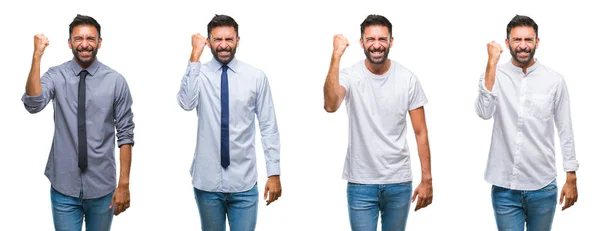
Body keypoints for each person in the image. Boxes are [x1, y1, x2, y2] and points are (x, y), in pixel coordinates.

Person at [21, 14, 135, 231]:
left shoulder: (116, 81)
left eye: (90, 39)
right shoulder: (56, 75)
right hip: (64, 187)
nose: (84, 44)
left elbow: (126, 134)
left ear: (99, 42)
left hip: (102, 188)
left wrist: (124, 184)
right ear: (70, 43)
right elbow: (33, 104)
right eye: (78, 39)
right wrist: (37, 56)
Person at [323, 14, 433, 231]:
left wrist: (427, 179)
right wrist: (336, 56)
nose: (377, 45)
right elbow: (330, 105)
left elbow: (421, 133)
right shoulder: (350, 75)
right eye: (371, 39)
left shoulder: (407, 78)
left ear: (391, 41)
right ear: (362, 42)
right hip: (361, 183)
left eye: (382, 39)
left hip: (399, 182)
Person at [177, 14, 282, 231]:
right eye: (217, 40)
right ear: (208, 41)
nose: (223, 45)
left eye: (229, 39)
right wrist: (194, 56)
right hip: (207, 182)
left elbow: (268, 127)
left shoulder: (255, 77)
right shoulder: (199, 73)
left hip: (244, 182)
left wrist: (274, 173)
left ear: (237, 40)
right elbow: (186, 103)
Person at [475, 14, 579, 231]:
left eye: (528, 40)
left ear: (537, 42)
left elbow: (565, 129)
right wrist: (491, 63)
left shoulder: (554, 80)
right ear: (507, 43)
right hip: (504, 188)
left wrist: (571, 175)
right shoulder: (494, 73)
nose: (523, 46)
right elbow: (484, 112)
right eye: (517, 40)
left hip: (542, 186)